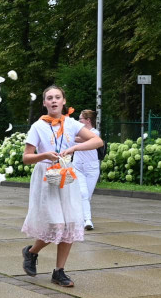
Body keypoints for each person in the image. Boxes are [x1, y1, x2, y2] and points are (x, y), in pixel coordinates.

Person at [21, 86, 104, 287]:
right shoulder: (37, 126)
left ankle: (59, 271)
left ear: (63, 101)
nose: (54, 101)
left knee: (70, 223)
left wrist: (75, 147)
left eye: (57, 97)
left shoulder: (72, 124)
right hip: (46, 177)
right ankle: (31, 252)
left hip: (66, 174)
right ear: (44, 103)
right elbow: (26, 158)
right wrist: (44, 155)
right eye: (49, 98)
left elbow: (97, 141)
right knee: (56, 224)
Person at [75, 109, 101, 230]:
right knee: (83, 193)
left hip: (92, 168)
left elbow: (90, 140)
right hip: (77, 166)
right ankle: (88, 220)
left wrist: (73, 137)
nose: (78, 121)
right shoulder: (76, 131)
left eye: (80, 119)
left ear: (88, 120)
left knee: (87, 196)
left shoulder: (95, 133)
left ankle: (80, 218)